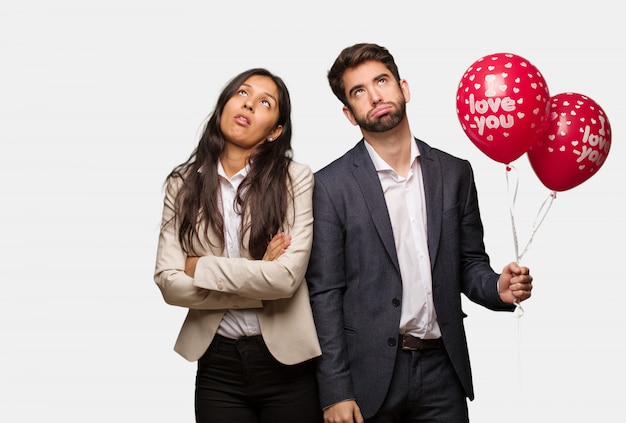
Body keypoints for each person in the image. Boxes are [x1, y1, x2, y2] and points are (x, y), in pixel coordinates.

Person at [305, 43, 534, 423]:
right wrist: (335, 391)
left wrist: (498, 287)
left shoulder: (454, 172)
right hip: (367, 377)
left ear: (404, 88)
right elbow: (324, 294)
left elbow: (468, 263)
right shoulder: (329, 186)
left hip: (442, 370)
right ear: (349, 113)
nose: (375, 95)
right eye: (358, 91)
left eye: (381, 81)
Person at [154, 68, 323, 423]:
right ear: (223, 107)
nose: (248, 103)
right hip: (218, 364)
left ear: (276, 130)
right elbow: (169, 283)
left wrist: (199, 267)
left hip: (287, 363)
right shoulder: (181, 184)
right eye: (242, 93)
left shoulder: (296, 179)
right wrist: (260, 273)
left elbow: (285, 280)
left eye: (265, 102)